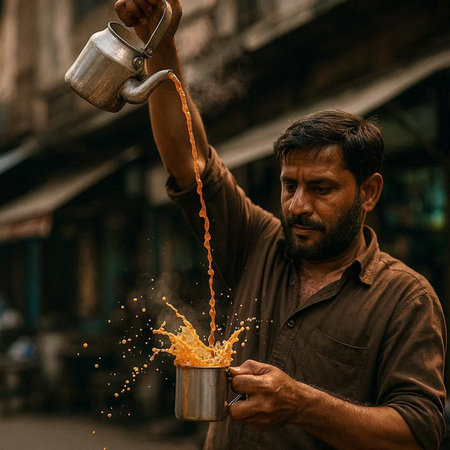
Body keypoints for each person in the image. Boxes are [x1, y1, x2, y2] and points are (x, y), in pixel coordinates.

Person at [114, 1, 446, 449]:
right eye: (290, 185)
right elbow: (191, 161)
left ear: (368, 193)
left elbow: (421, 433)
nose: (298, 205)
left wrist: (304, 405)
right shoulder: (258, 242)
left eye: (322, 189)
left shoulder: (405, 299)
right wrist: (160, 40)